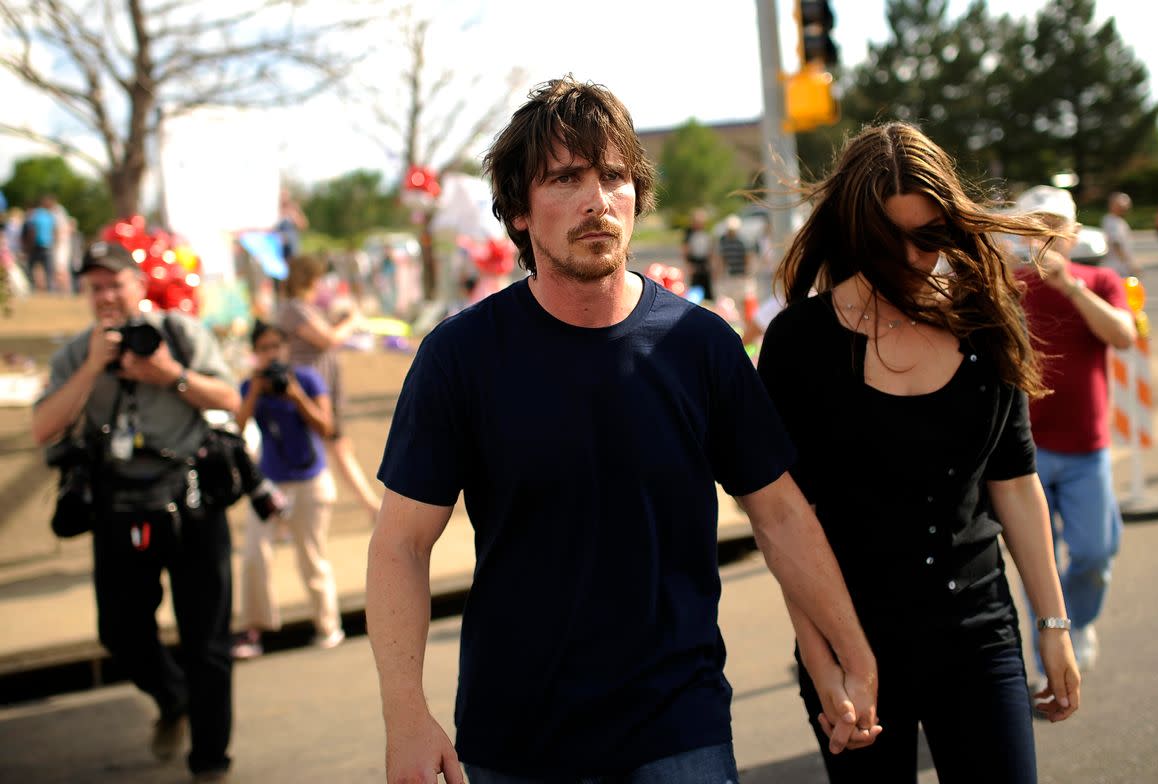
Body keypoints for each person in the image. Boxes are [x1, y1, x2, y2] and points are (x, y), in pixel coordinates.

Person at [367, 76, 880, 784]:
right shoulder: (461, 357)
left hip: (679, 728)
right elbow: (400, 544)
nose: (596, 200)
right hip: (514, 736)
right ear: (518, 211)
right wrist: (405, 716)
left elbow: (783, 515)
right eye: (565, 178)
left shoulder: (701, 345)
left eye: (613, 176)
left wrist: (853, 657)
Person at [756, 122, 1081, 783]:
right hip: (854, 641)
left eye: (928, 237)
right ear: (852, 232)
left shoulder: (987, 319)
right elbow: (789, 525)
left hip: (980, 630)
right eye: (886, 241)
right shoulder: (800, 345)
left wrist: (1054, 622)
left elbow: (1015, 483)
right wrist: (825, 669)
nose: (910, 257)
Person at [31, 241, 240, 782]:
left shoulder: (180, 334)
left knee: (207, 641)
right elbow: (42, 427)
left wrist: (169, 374)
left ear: (139, 286)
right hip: (118, 505)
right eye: (94, 286)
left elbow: (231, 399)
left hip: (191, 502)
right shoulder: (76, 352)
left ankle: (211, 761)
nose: (105, 295)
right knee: (120, 634)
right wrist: (94, 368)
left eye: (115, 283)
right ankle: (174, 700)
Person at [1010, 185, 1135, 680]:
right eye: (1034, 225)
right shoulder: (1008, 286)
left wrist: (1071, 287)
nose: (1044, 236)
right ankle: (1047, 659)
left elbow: (1123, 336)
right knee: (1034, 565)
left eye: (1053, 225)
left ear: (1072, 233)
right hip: (1026, 454)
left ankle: (1078, 622)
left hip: (1086, 448)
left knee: (1094, 553)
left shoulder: (1099, 279)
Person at [231, 320, 344, 659]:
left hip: (310, 481)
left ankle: (328, 626)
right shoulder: (250, 386)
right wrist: (253, 391)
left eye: (275, 347)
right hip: (270, 484)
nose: (271, 354)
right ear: (255, 354)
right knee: (254, 555)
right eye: (263, 348)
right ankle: (254, 630)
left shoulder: (306, 379)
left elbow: (327, 427)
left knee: (312, 557)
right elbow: (237, 430)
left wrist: (295, 395)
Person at [276, 254, 382, 520]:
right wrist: (351, 321)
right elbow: (327, 339)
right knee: (322, 450)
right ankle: (370, 507)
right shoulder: (294, 308)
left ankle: (371, 507)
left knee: (337, 448)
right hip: (309, 391)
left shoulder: (302, 307)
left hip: (321, 388)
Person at [1101, 191, 1140, 278]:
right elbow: (1116, 245)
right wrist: (1130, 264)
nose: (1125, 207)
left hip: (1120, 267)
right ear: (1112, 205)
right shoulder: (1112, 222)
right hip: (1118, 268)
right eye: (1121, 205)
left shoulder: (1117, 221)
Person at [22, 194, 57, 291]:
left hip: (36, 246)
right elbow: (54, 231)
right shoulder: (50, 216)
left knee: (31, 268)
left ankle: (32, 288)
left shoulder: (35, 215)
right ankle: (50, 289)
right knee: (48, 270)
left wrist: (28, 247)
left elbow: (31, 231)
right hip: (46, 246)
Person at [682, 206, 715, 300]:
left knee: (707, 289)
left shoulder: (705, 233)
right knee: (695, 289)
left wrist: (712, 265)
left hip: (704, 263)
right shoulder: (689, 234)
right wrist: (689, 264)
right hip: (695, 262)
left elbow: (710, 249)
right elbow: (685, 250)